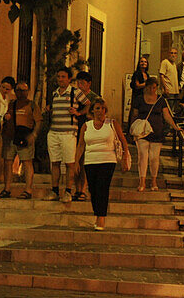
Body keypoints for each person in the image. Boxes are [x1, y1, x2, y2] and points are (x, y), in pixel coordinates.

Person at [73, 98, 130, 231]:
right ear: (92, 110)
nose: (100, 111)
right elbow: (81, 145)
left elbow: (123, 141)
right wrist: (77, 161)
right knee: (93, 189)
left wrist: (125, 157)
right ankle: (97, 212)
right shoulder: (86, 126)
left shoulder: (112, 123)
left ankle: (101, 217)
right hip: (90, 160)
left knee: (102, 188)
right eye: (97, 108)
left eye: (102, 108)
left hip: (107, 159)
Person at [131, 77, 179, 192]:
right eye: (150, 87)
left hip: (156, 131)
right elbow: (134, 114)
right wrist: (132, 129)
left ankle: (153, 180)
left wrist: (175, 126)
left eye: (154, 87)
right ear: (146, 87)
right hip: (142, 131)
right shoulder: (139, 99)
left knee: (154, 157)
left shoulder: (161, 100)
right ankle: (142, 181)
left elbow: (166, 115)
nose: (152, 90)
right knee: (142, 155)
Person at [0, 81, 40, 199]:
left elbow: (38, 121)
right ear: (15, 92)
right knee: (8, 162)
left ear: (27, 92)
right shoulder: (10, 104)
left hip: (25, 137)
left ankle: (28, 190)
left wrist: (34, 135)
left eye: (24, 90)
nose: (21, 93)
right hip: (10, 137)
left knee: (27, 162)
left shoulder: (32, 105)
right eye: (19, 90)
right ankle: (6, 189)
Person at [45, 66, 79, 202]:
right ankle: (54, 190)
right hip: (54, 132)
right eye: (59, 77)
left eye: (63, 77)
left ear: (69, 79)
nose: (60, 79)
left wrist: (78, 113)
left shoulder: (75, 92)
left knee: (70, 163)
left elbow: (89, 104)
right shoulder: (54, 93)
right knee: (55, 162)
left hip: (68, 132)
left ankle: (68, 191)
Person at [70, 71, 102, 201]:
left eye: (82, 83)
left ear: (89, 84)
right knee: (76, 160)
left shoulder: (95, 98)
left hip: (89, 132)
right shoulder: (75, 95)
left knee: (84, 162)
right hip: (74, 131)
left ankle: (83, 189)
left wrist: (80, 113)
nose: (79, 85)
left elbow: (98, 115)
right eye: (78, 83)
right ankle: (77, 189)